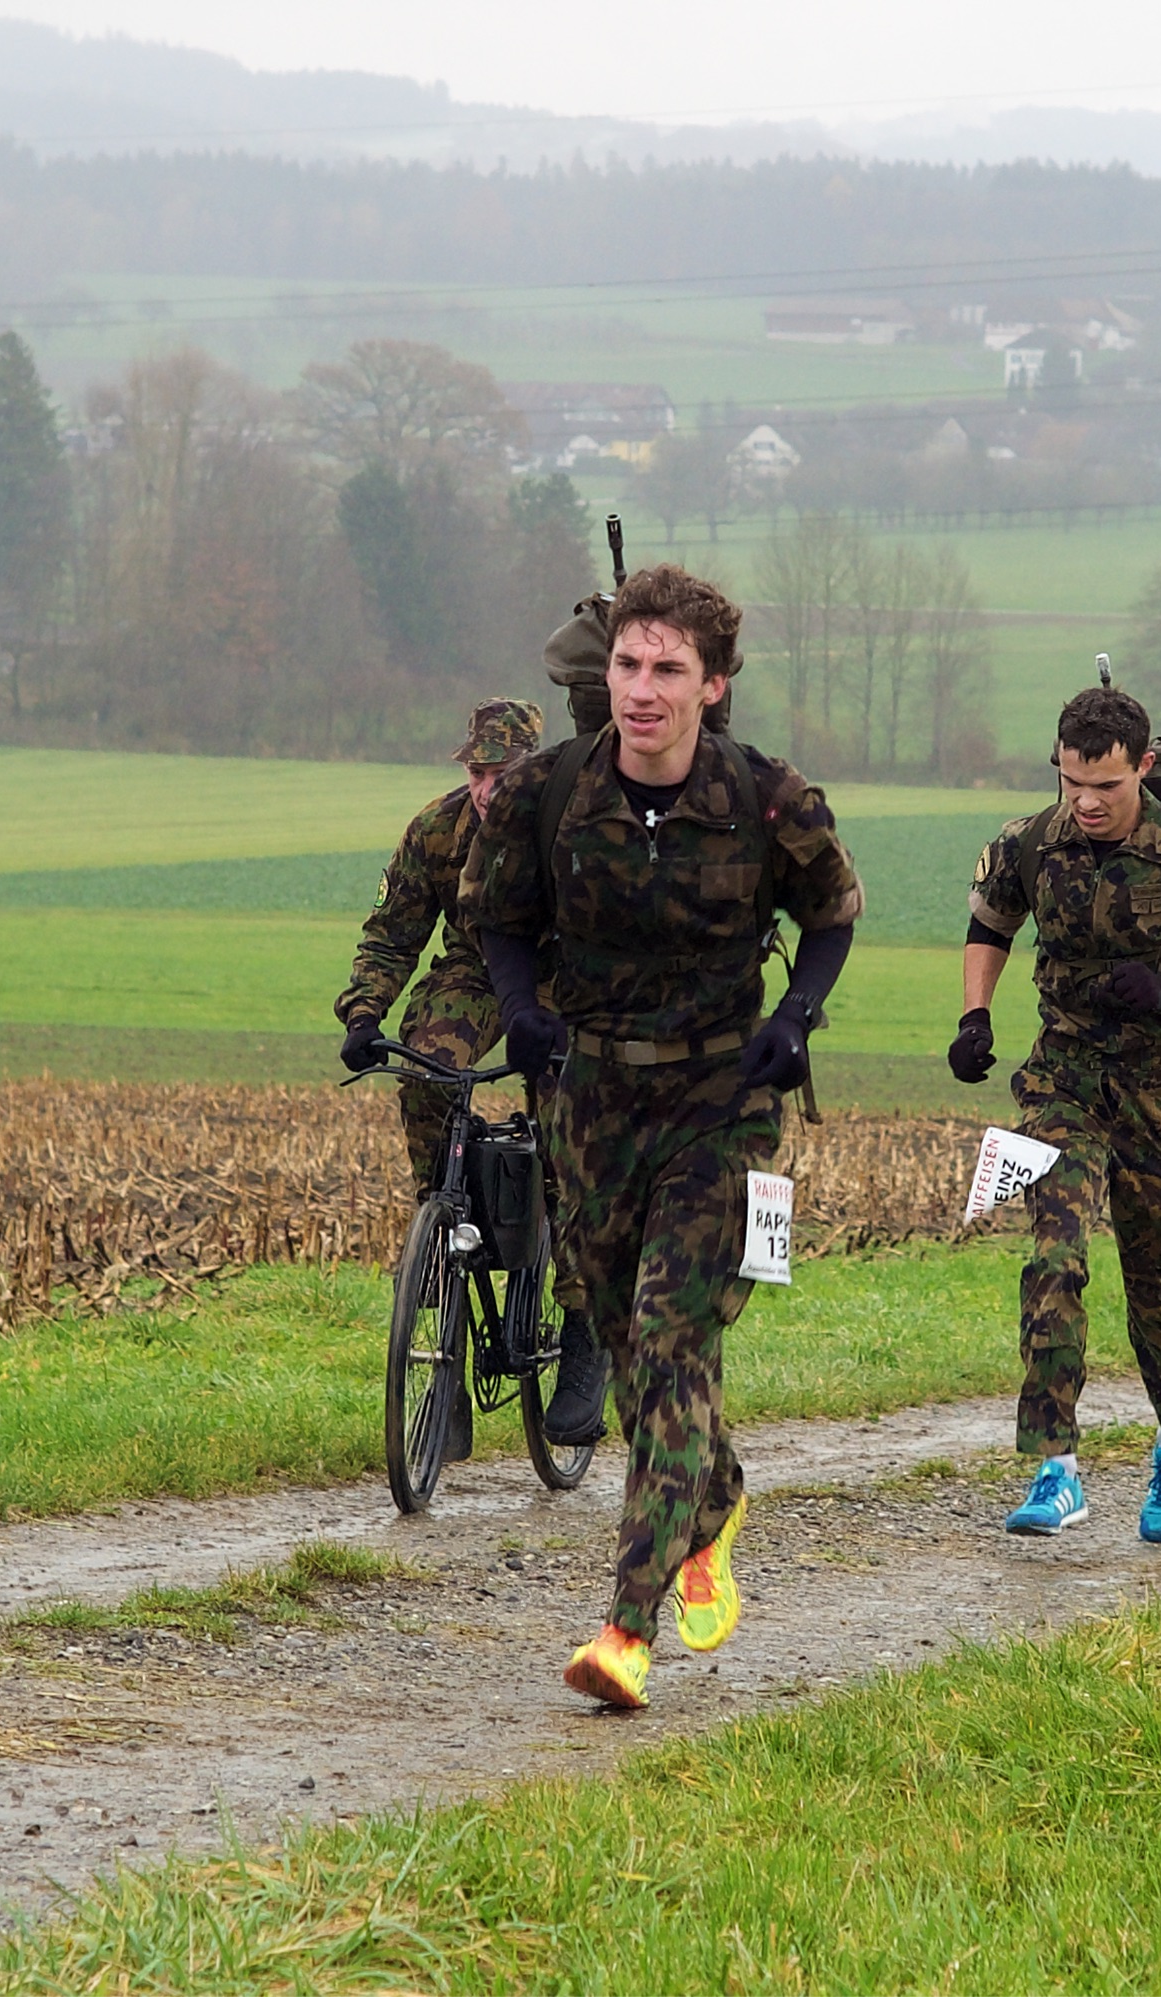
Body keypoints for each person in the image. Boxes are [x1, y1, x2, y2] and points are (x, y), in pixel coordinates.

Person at [459, 563, 864, 1710]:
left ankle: (626, 1631)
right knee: (635, 1358)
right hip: (589, 1102)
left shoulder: (769, 799)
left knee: (668, 1336)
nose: (643, 689)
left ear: (713, 685)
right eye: (630, 664)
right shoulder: (546, 793)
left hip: (718, 1108)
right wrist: (525, 1008)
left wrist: (796, 1016)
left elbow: (834, 908)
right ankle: (715, 1494)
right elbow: (498, 915)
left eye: (668, 670)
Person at [952, 686, 1161, 1545]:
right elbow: (989, 923)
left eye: (1104, 786)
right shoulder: (1029, 842)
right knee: (1054, 1258)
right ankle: (1053, 1467)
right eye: (1070, 784)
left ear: (1142, 767)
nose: (1086, 803)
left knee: (1158, 1284)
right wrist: (975, 1016)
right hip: (1062, 1082)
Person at [334, 698, 595, 1463]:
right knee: (427, 1064)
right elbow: (392, 933)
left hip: (563, 981)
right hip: (478, 970)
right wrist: (363, 1012)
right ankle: (444, 1247)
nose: (485, 788)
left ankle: (583, 1329)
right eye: (477, 772)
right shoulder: (437, 831)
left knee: (570, 1125)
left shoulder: (575, 830)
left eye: (501, 772)